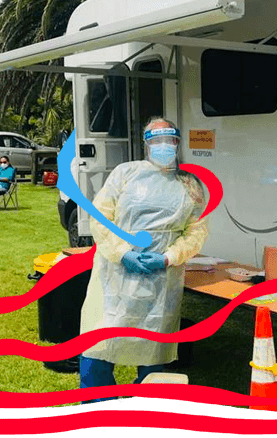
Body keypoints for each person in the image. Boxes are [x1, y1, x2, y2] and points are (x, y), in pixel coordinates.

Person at [79, 118, 208, 400]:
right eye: (156, 139)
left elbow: (196, 231)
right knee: (100, 338)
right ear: (146, 143)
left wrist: (168, 257)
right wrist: (123, 253)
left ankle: (146, 406)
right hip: (115, 276)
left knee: (153, 342)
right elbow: (100, 219)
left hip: (161, 280)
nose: (163, 146)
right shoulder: (125, 173)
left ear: (177, 142)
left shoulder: (189, 185)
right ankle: (96, 408)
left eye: (169, 139)